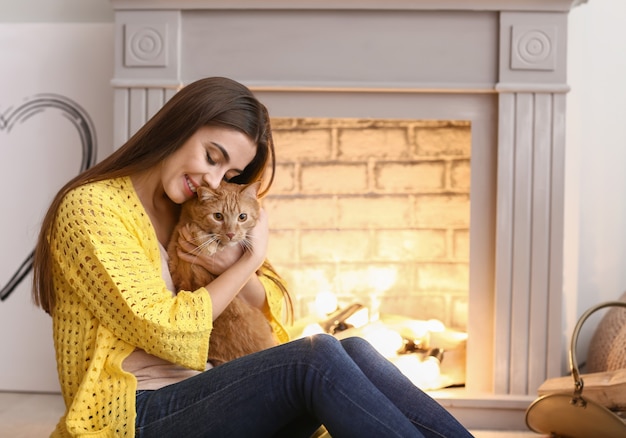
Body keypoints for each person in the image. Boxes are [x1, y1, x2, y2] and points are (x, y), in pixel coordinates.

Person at [32, 76, 474, 438]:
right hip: (134, 415)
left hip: (207, 389)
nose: (212, 178)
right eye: (211, 156)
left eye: (229, 173)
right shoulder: (93, 207)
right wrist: (247, 260)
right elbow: (165, 331)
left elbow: (276, 310)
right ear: (178, 125)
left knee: (352, 347)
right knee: (313, 357)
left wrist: (233, 270)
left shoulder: (197, 207)